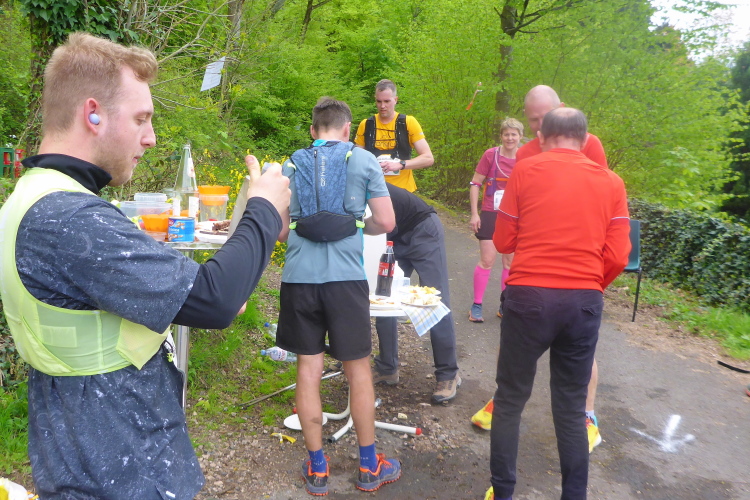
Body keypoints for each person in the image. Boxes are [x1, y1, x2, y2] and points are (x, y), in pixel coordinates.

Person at [0, 33, 290, 499]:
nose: (151, 138)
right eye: (141, 119)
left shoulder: (36, 196)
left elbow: (205, 296)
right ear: (93, 114)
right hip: (120, 464)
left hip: (84, 446)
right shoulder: (69, 217)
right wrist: (265, 210)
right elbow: (216, 301)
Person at [485, 107, 630, 500]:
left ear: (541, 138)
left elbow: (503, 241)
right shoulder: (612, 182)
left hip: (529, 296)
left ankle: (503, 492)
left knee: (510, 399)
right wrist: (591, 285)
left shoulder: (524, 171)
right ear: (585, 140)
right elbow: (619, 255)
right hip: (584, 301)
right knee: (570, 407)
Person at [275, 97, 401, 496]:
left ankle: (317, 470)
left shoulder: (291, 164)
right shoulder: (363, 160)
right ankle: (368, 466)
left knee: (307, 369)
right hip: (346, 281)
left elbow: (281, 231)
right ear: (348, 130)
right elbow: (386, 220)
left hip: (299, 279)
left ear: (313, 130)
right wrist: (358, 225)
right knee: (358, 369)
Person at [473, 85, 607, 450]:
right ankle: (503, 398)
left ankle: (587, 414)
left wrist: (598, 278)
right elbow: (515, 212)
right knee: (512, 339)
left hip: (578, 268)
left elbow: (600, 201)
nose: (536, 128)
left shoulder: (589, 145)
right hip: (532, 266)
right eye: (531, 120)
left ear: (560, 109)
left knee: (581, 352)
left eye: (541, 119)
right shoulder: (528, 151)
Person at [372, 183, 461, 404]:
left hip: (422, 229)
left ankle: (448, 374)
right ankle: (387, 367)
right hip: (392, 238)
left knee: (435, 301)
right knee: (383, 296)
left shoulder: (363, 180)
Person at [468, 118, 524, 323]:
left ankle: (505, 304)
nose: (510, 138)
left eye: (514, 134)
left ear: (520, 136)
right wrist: (474, 214)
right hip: (491, 212)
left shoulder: (525, 157)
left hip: (514, 216)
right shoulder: (491, 155)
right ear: (501, 136)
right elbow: (475, 183)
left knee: (509, 262)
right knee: (487, 260)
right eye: (506, 134)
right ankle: (476, 305)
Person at [354, 79, 434, 192]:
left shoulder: (408, 122)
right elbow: (356, 160)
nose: (382, 106)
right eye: (379, 101)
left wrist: (401, 164)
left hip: (403, 190)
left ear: (395, 100)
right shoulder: (366, 124)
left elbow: (428, 158)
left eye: (387, 101)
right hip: (373, 190)